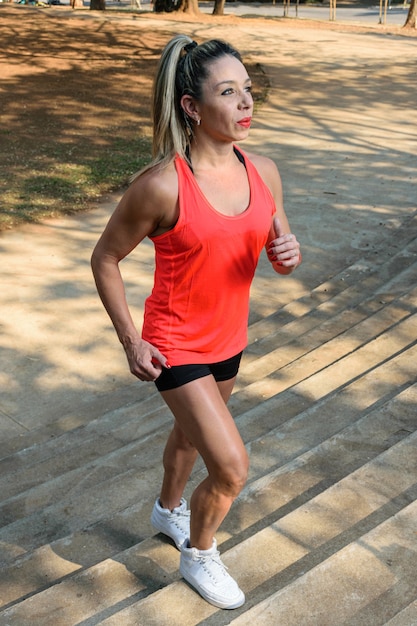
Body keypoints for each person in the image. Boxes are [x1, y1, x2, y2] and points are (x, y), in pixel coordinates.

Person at [91, 34, 301, 610]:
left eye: (248, 91)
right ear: (191, 107)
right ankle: (199, 552)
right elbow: (104, 257)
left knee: (189, 438)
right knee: (231, 468)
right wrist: (131, 340)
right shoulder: (162, 185)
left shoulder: (264, 171)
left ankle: (167, 509)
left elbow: (280, 245)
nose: (244, 104)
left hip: (230, 338)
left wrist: (289, 254)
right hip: (175, 344)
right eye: (227, 93)